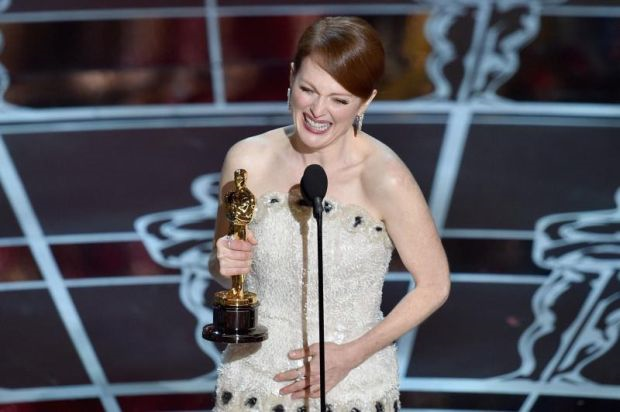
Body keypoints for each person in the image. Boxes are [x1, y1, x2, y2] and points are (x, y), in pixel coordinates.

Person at [209, 16, 451, 412]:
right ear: (292, 77)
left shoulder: (385, 176)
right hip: (254, 379)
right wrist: (225, 262)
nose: (318, 111)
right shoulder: (246, 161)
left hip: (351, 387)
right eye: (309, 90)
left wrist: (354, 353)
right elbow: (223, 270)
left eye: (339, 100)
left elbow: (434, 285)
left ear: (365, 102)